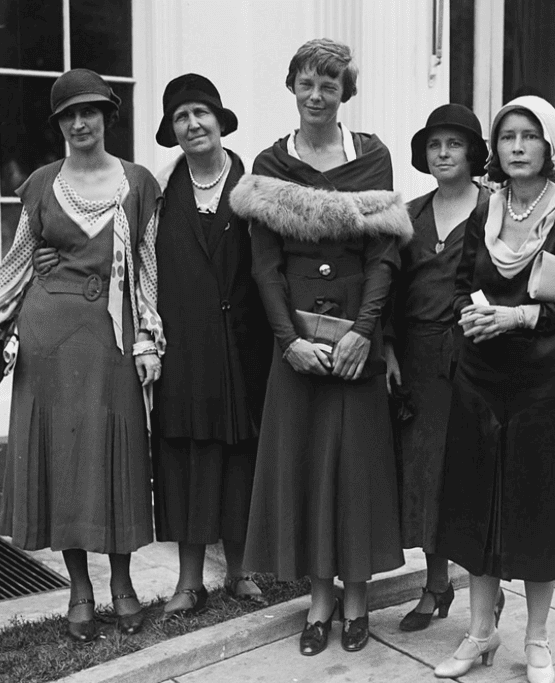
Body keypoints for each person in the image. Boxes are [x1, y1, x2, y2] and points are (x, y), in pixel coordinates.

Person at [0, 69, 164, 643]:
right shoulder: (40, 185)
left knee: (117, 454)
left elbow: (146, 268)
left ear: (107, 117)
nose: (80, 123)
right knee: (62, 459)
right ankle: (79, 591)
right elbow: (17, 262)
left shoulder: (138, 183)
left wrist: (148, 336)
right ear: (58, 125)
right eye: (68, 115)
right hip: (48, 339)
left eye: (89, 112)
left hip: (111, 337)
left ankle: (122, 585)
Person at [229, 38, 409, 656]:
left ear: (344, 92)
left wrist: (364, 332)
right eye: (306, 83)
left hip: (358, 338)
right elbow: (264, 266)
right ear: (292, 87)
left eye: (329, 85)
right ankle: (319, 601)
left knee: (355, 468)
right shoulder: (269, 163)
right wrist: (289, 343)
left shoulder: (373, 156)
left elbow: (384, 254)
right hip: (297, 343)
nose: (316, 95)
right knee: (306, 465)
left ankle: (357, 599)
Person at [432, 96, 555, 682]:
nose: (517, 147)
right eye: (507, 137)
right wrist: (473, 315)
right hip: (481, 378)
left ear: (548, 145)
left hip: (544, 381)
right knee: (476, 508)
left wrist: (520, 317)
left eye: (529, 136)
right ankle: (480, 633)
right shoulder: (486, 210)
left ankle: (536, 640)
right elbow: (461, 284)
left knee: (539, 510)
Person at [149, 74, 273, 615]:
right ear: (172, 130)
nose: (193, 124)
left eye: (201, 112)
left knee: (241, 456)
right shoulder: (158, 192)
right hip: (183, 349)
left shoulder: (253, 184)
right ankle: (189, 582)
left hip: (245, 348)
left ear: (220, 121)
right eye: (181, 117)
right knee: (186, 460)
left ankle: (240, 573)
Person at [383, 104, 489, 632]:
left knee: (474, 474)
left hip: (477, 358)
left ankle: (488, 593)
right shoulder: (410, 215)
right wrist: (389, 349)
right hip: (420, 362)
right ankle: (436, 584)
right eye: (434, 145)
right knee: (427, 475)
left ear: (473, 152)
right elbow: (391, 289)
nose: (443, 153)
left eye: (454, 144)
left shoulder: (495, 209)